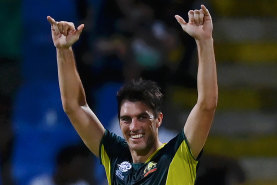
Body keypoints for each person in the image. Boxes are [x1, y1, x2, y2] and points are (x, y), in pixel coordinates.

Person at [47, 4, 217, 185]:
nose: (134, 126)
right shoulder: (115, 156)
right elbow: (74, 107)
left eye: (142, 117)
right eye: (126, 119)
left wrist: (204, 41)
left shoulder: (178, 154)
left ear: (158, 119)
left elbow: (207, 105)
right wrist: (64, 50)